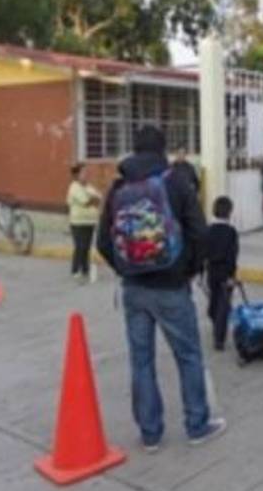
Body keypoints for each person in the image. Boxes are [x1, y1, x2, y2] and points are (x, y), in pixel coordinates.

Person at [96, 125, 226, 450]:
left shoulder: (118, 187)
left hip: (133, 290)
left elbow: (102, 241)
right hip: (172, 287)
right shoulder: (176, 183)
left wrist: (126, 267)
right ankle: (197, 425)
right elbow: (200, 233)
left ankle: (150, 434)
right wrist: (188, 270)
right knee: (188, 356)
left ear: (134, 150)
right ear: (162, 150)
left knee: (141, 361)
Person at [203, 196, 239, 352]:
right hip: (225, 271)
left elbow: (203, 252)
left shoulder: (208, 230)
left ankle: (214, 322)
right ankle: (219, 338)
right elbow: (232, 255)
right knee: (224, 305)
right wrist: (232, 275)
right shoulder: (231, 232)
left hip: (212, 270)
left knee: (214, 300)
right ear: (229, 212)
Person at [66, 163, 102, 283]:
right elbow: (85, 201)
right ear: (77, 175)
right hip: (78, 222)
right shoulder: (74, 187)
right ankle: (76, 269)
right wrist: (93, 199)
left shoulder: (88, 187)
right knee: (80, 246)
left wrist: (93, 199)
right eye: (83, 173)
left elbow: (99, 198)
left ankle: (85, 269)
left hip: (90, 221)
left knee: (86, 247)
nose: (86, 175)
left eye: (86, 172)